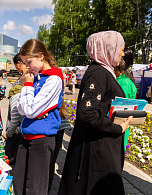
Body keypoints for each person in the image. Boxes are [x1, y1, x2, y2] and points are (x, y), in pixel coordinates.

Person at [58, 31, 133, 195]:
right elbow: (87, 112)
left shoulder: (104, 71)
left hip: (98, 146)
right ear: (108, 49)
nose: (122, 53)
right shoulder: (99, 72)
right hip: (96, 151)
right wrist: (117, 128)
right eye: (120, 48)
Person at [13, 39, 64, 195]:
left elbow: (29, 110)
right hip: (27, 135)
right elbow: (21, 108)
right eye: (23, 63)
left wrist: (27, 86)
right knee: (19, 183)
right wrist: (29, 92)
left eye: (28, 62)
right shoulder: (37, 77)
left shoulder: (54, 79)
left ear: (41, 56)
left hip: (41, 139)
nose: (26, 67)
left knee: (35, 188)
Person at [3, 54, 27, 164]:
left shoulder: (26, 77)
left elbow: (16, 117)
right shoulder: (24, 76)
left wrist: (9, 132)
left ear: (19, 63)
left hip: (18, 120)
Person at [114, 48, 137, 151]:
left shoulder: (125, 83)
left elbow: (118, 110)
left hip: (118, 128)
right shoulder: (119, 79)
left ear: (122, 62)